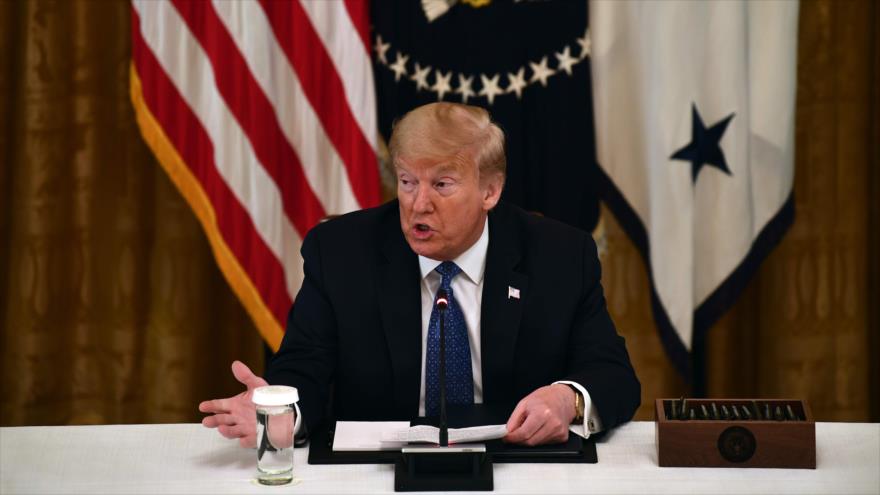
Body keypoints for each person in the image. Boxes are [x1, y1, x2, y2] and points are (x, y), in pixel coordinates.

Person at [200, 102, 640, 448]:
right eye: (408, 182)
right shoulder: (340, 253)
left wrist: (568, 399)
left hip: (516, 469)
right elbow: (304, 366)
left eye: (442, 184)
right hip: (375, 477)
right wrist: (283, 410)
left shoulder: (558, 256)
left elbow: (612, 375)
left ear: (491, 190)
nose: (418, 204)